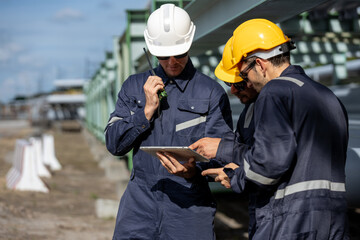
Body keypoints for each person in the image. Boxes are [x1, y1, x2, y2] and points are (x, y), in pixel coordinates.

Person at [192, 18, 350, 239]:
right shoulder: (327, 96)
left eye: (244, 76)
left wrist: (232, 173)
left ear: (259, 64)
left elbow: (267, 166)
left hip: (290, 221)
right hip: (333, 220)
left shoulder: (274, 92)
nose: (243, 84)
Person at [104, 4, 233, 240]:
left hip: (190, 204)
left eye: (180, 53)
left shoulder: (211, 92)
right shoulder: (133, 87)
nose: (172, 61)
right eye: (163, 56)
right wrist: (145, 111)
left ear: (190, 44)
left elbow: (225, 152)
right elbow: (114, 144)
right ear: (152, 50)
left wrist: (195, 170)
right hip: (139, 203)